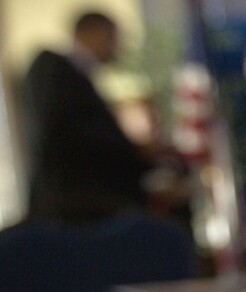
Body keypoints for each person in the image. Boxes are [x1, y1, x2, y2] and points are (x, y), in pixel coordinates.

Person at [21, 11, 156, 222]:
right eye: (114, 38)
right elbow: (71, 135)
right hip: (74, 209)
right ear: (97, 33)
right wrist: (136, 151)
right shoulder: (53, 68)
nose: (118, 48)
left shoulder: (76, 77)